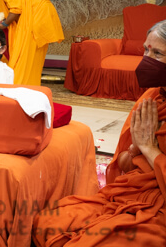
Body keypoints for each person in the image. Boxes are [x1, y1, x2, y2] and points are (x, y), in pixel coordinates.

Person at [33, 19, 166, 246]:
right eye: (146, 49)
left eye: (158, 54)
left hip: (160, 208)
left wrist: (150, 149)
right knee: (48, 222)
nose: (146, 59)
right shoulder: (152, 98)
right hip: (131, 194)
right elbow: (124, 166)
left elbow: (148, 152)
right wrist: (134, 151)